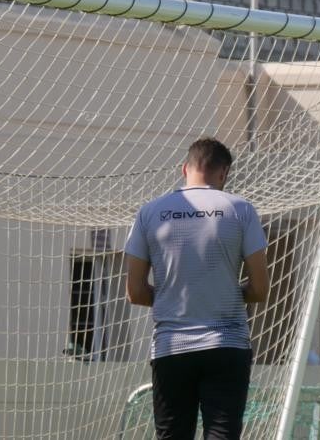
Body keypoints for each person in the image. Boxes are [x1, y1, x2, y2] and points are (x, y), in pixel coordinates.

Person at [124, 137, 268, 440]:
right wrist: (223, 295)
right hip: (227, 344)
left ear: (184, 168)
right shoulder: (241, 209)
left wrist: (174, 298)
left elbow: (135, 292)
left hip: (171, 347)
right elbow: (260, 288)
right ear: (224, 173)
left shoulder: (149, 212)